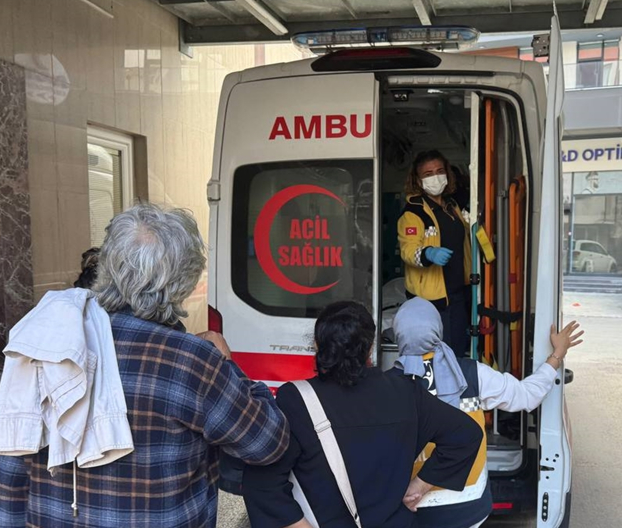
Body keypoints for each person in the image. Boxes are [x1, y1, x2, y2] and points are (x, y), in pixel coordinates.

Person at [0, 204, 289, 528]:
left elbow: (11, 472)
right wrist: (226, 363)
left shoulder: (44, 342)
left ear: (107, 265)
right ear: (185, 282)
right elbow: (267, 443)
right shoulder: (191, 361)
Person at [242, 301, 483, 528]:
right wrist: (419, 486)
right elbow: (466, 434)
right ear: (369, 347)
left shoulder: (296, 400)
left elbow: (263, 485)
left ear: (317, 345)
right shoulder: (406, 391)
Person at [392, 297, 584, 528]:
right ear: (438, 329)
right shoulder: (473, 374)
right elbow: (527, 395)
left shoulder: (384, 385)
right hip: (468, 505)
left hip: (410, 504)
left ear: (398, 335)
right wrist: (556, 355)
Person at [398, 150, 471, 358]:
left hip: (457, 293)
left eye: (439, 171)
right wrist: (428, 253)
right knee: (435, 357)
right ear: (418, 180)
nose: (435, 177)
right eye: (428, 174)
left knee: (457, 353)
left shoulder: (452, 206)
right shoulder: (414, 212)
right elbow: (407, 250)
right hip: (430, 300)